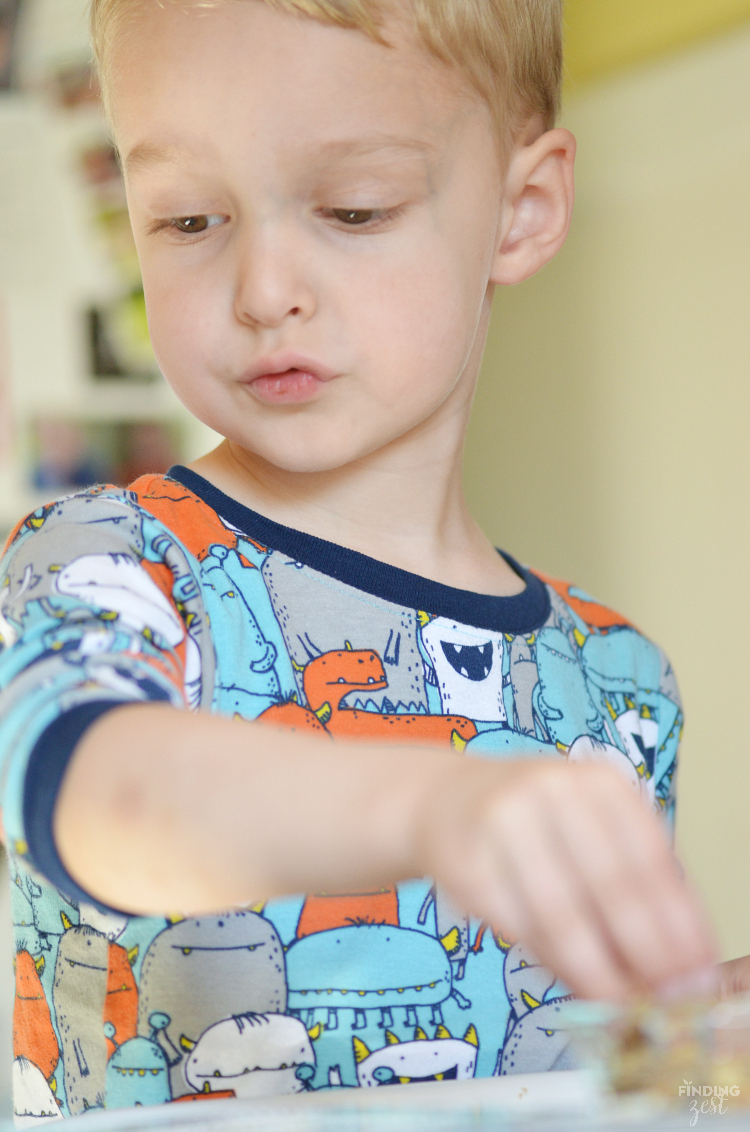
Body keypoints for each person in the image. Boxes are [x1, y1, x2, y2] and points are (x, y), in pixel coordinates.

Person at [0, 0, 716, 1116]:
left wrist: (695, 1032)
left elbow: (577, 1062)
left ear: (521, 211)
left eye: (352, 207)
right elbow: (96, 791)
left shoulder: (622, 683)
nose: (261, 288)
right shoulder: (110, 557)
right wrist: (439, 806)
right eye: (189, 219)